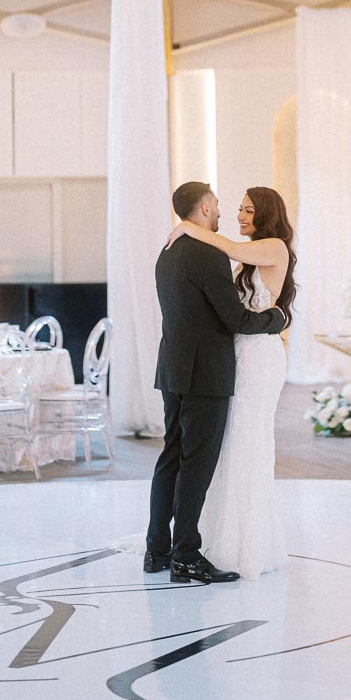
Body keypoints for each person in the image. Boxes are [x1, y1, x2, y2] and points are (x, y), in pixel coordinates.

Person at [145, 181, 288, 585]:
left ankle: (157, 548)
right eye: (225, 206)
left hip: (173, 367)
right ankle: (186, 555)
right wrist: (277, 321)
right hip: (205, 372)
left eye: (245, 209)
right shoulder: (207, 253)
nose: (230, 213)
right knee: (196, 463)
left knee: (171, 455)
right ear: (205, 209)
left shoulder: (168, 249)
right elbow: (236, 320)